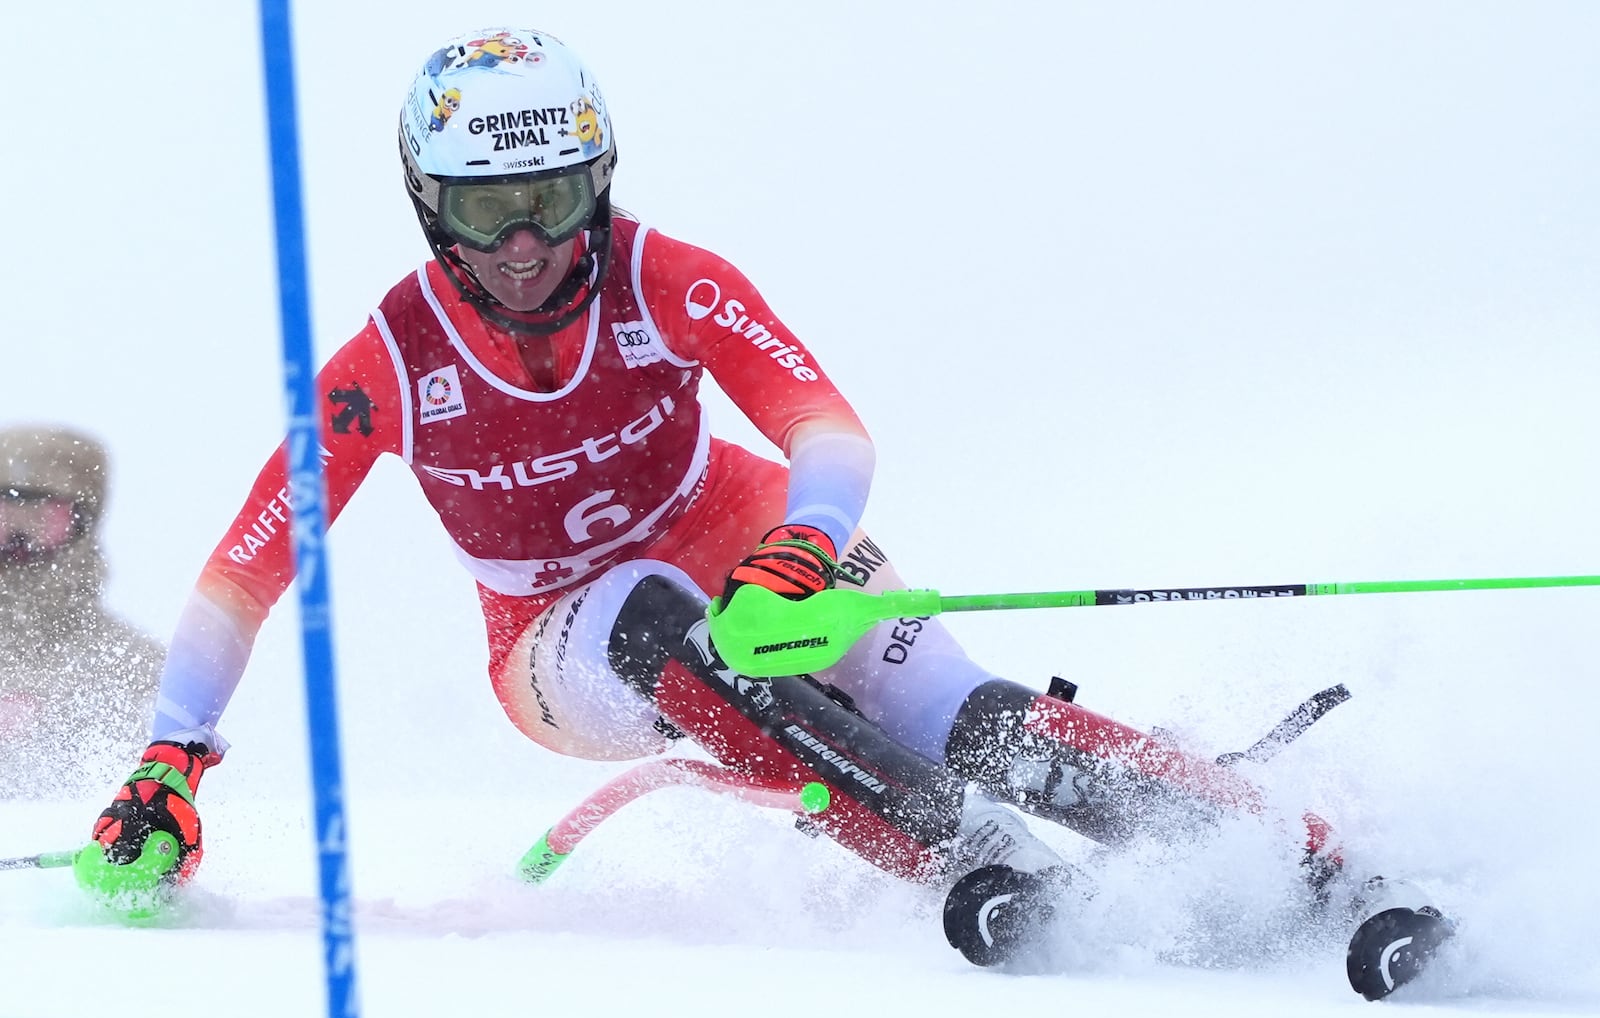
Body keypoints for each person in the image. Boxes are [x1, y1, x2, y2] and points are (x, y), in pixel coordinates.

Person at [76, 27, 1358, 946]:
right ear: (428, 207)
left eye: (555, 198)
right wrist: (170, 758)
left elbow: (828, 428)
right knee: (653, 613)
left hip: (742, 527)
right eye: (487, 212)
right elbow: (246, 572)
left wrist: (801, 545)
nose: (527, 245)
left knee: (949, 705)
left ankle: (1261, 847)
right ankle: (974, 862)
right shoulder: (387, 365)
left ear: (602, 179)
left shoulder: (665, 274)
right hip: (554, 637)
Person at [1, 425, 161, 799]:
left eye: (44, 519)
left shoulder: (139, 670)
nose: (19, 541)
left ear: (82, 525)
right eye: (4, 516)